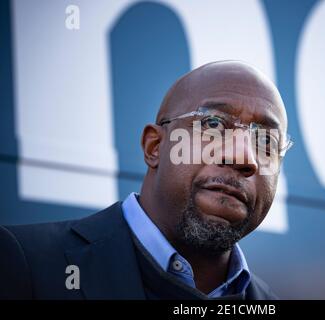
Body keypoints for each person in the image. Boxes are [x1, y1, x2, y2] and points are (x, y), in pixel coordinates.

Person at [0, 61, 293, 299]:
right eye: (213, 124)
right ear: (154, 147)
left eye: (266, 140)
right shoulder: (23, 263)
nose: (244, 157)